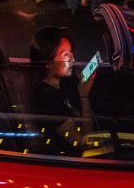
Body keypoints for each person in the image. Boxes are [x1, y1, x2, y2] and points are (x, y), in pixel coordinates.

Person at [29, 26, 96, 155]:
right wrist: (84, 96)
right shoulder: (45, 98)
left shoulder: (65, 81)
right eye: (66, 55)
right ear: (47, 62)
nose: (73, 59)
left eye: (71, 52)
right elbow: (83, 144)